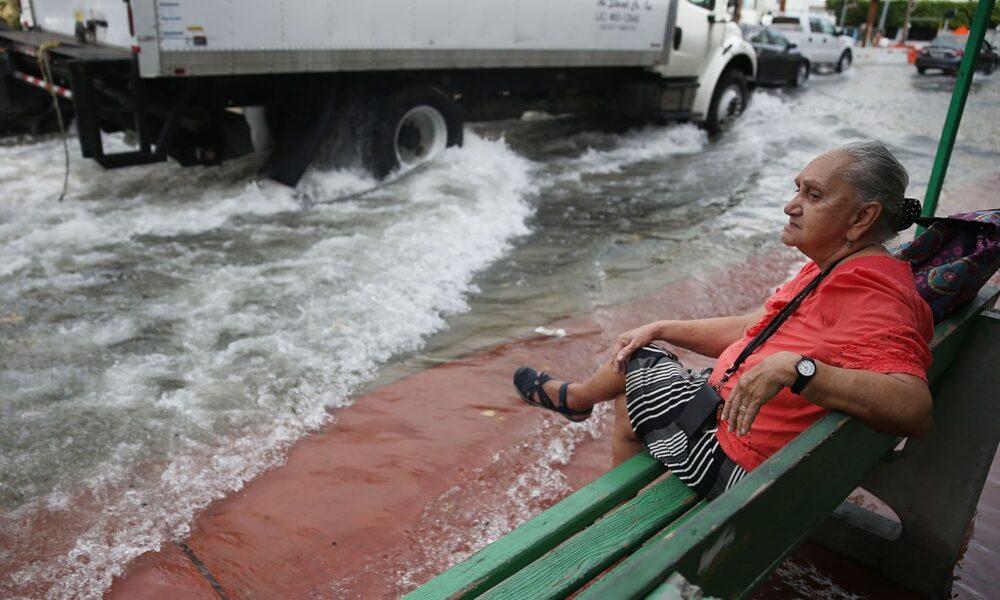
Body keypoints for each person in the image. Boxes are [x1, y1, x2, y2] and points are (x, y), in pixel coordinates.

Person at [513, 141, 934, 499]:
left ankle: (591, 444)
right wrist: (663, 327)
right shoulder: (841, 265)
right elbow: (755, 329)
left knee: (636, 367)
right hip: (744, 433)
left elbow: (914, 408)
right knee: (644, 363)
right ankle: (593, 433)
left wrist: (799, 369)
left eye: (814, 196)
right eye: (797, 191)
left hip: (737, 464)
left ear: (862, 217)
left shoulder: (868, 290)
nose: (791, 207)